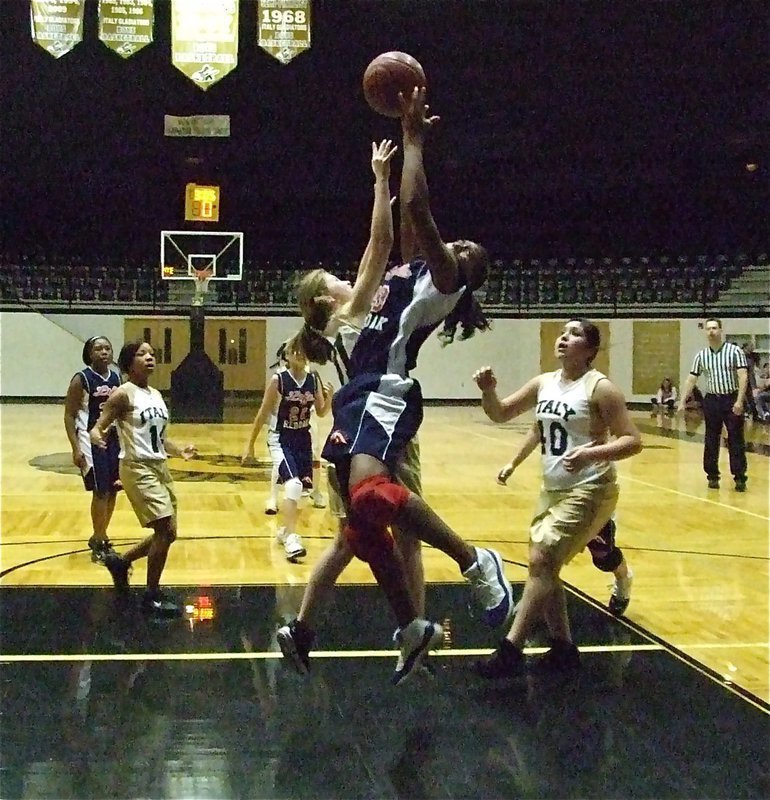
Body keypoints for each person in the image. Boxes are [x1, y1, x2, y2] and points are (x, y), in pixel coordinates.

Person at [281, 103, 511, 686]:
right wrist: (384, 176)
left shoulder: (443, 277)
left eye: (466, 248)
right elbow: (393, 233)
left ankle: (472, 561)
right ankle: (412, 628)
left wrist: (411, 143)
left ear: (464, 272)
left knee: (375, 502)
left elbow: (411, 211)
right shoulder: (400, 279)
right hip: (359, 398)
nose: (458, 244)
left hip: (385, 390)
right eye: (458, 242)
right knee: (360, 523)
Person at [472, 318, 643, 677]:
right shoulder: (544, 383)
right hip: (553, 490)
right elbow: (501, 413)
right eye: (563, 333)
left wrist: (589, 455)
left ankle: (511, 649)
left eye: (575, 334)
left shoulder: (601, 389)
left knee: (543, 557)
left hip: (592, 487)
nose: (565, 338)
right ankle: (563, 647)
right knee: (546, 566)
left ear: (591, 350)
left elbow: (632, 440)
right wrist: (488, 390)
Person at [90, 341, 197, 616]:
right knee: (163, 528)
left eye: (152, 353)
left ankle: (121, 562)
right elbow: (99, 426)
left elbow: (158, 437)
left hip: (159, 466)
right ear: (129, 363)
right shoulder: (122, 394)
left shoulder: (156, 395)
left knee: (170, 532)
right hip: (136, 466)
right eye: (142, 354)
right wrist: (96, 437)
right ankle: (151, 596)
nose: (150, 357)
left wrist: (178, 449)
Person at [497, 423, 633, 616]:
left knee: (603, 557)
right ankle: (534, 608)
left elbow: (629, 438)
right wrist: (513, 462)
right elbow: (537, 428)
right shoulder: (548, 396)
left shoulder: (596, 396)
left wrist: (594, 454)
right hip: (558, 490)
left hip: (592, 488)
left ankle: (623, 578)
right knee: (545, 553)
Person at [241, 334, 332, 561]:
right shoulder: (278, 380)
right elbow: (263, 413)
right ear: (287, 356)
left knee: (300, 491)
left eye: (303, 351)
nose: (299, 355)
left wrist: (329, 399)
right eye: (295, 351)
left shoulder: (313, 379)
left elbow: (320, 412)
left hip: (303, 438)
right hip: (281, 438)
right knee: (292, 485)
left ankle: (283, 531)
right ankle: (292, 537)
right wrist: (249, 445)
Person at [64, 336, 123, 563]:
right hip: (91, 441)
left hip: (114, 440)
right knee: (100, 491)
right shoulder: (82, 379)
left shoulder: (116, 377)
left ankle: (101, 534)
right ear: (89, 353)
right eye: (98, 349)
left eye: (107, 348)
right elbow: (69, 415)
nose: (104, 352)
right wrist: (75, 447)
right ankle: (99, 540)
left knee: (113, 489)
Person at [677, 319, 749, 492]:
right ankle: (712, 476)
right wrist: (681, 402)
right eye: (708, 329)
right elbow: (692, 378)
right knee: (711, 438)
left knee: (735, 438)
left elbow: (743, 376)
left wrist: (739, 400)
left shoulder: (734, 351)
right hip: (712, 400)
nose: (711, 332)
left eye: (714, 328)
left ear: (721, 330)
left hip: (731, 398)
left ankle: (739, 477)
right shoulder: (701, 355)